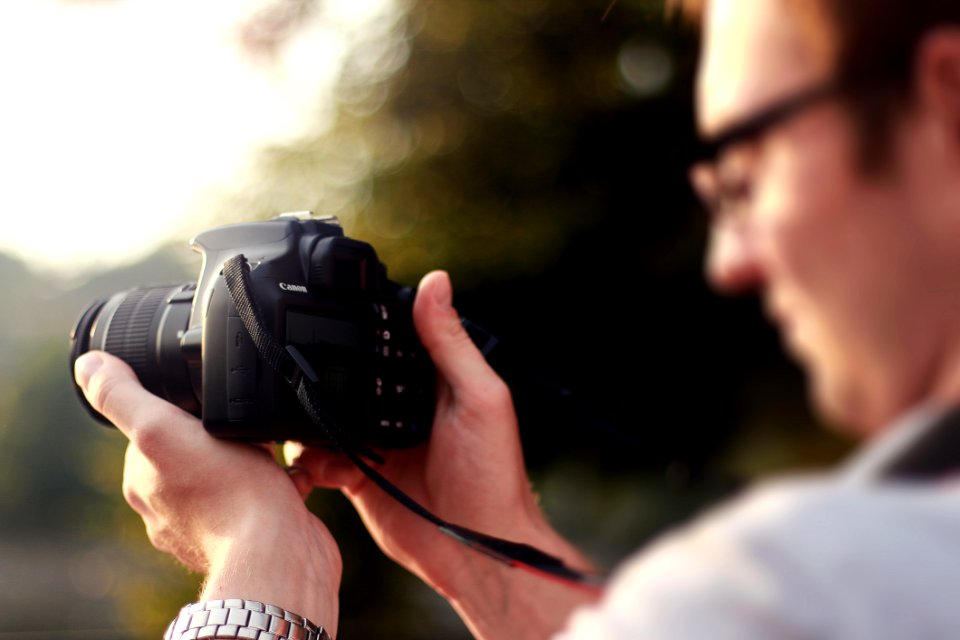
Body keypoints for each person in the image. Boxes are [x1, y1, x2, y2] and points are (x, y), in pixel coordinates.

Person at [72, 0, 960, 637]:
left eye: (744, 171)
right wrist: (485, 552)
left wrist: (259, 563)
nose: (732, 260)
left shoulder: (819, 584)